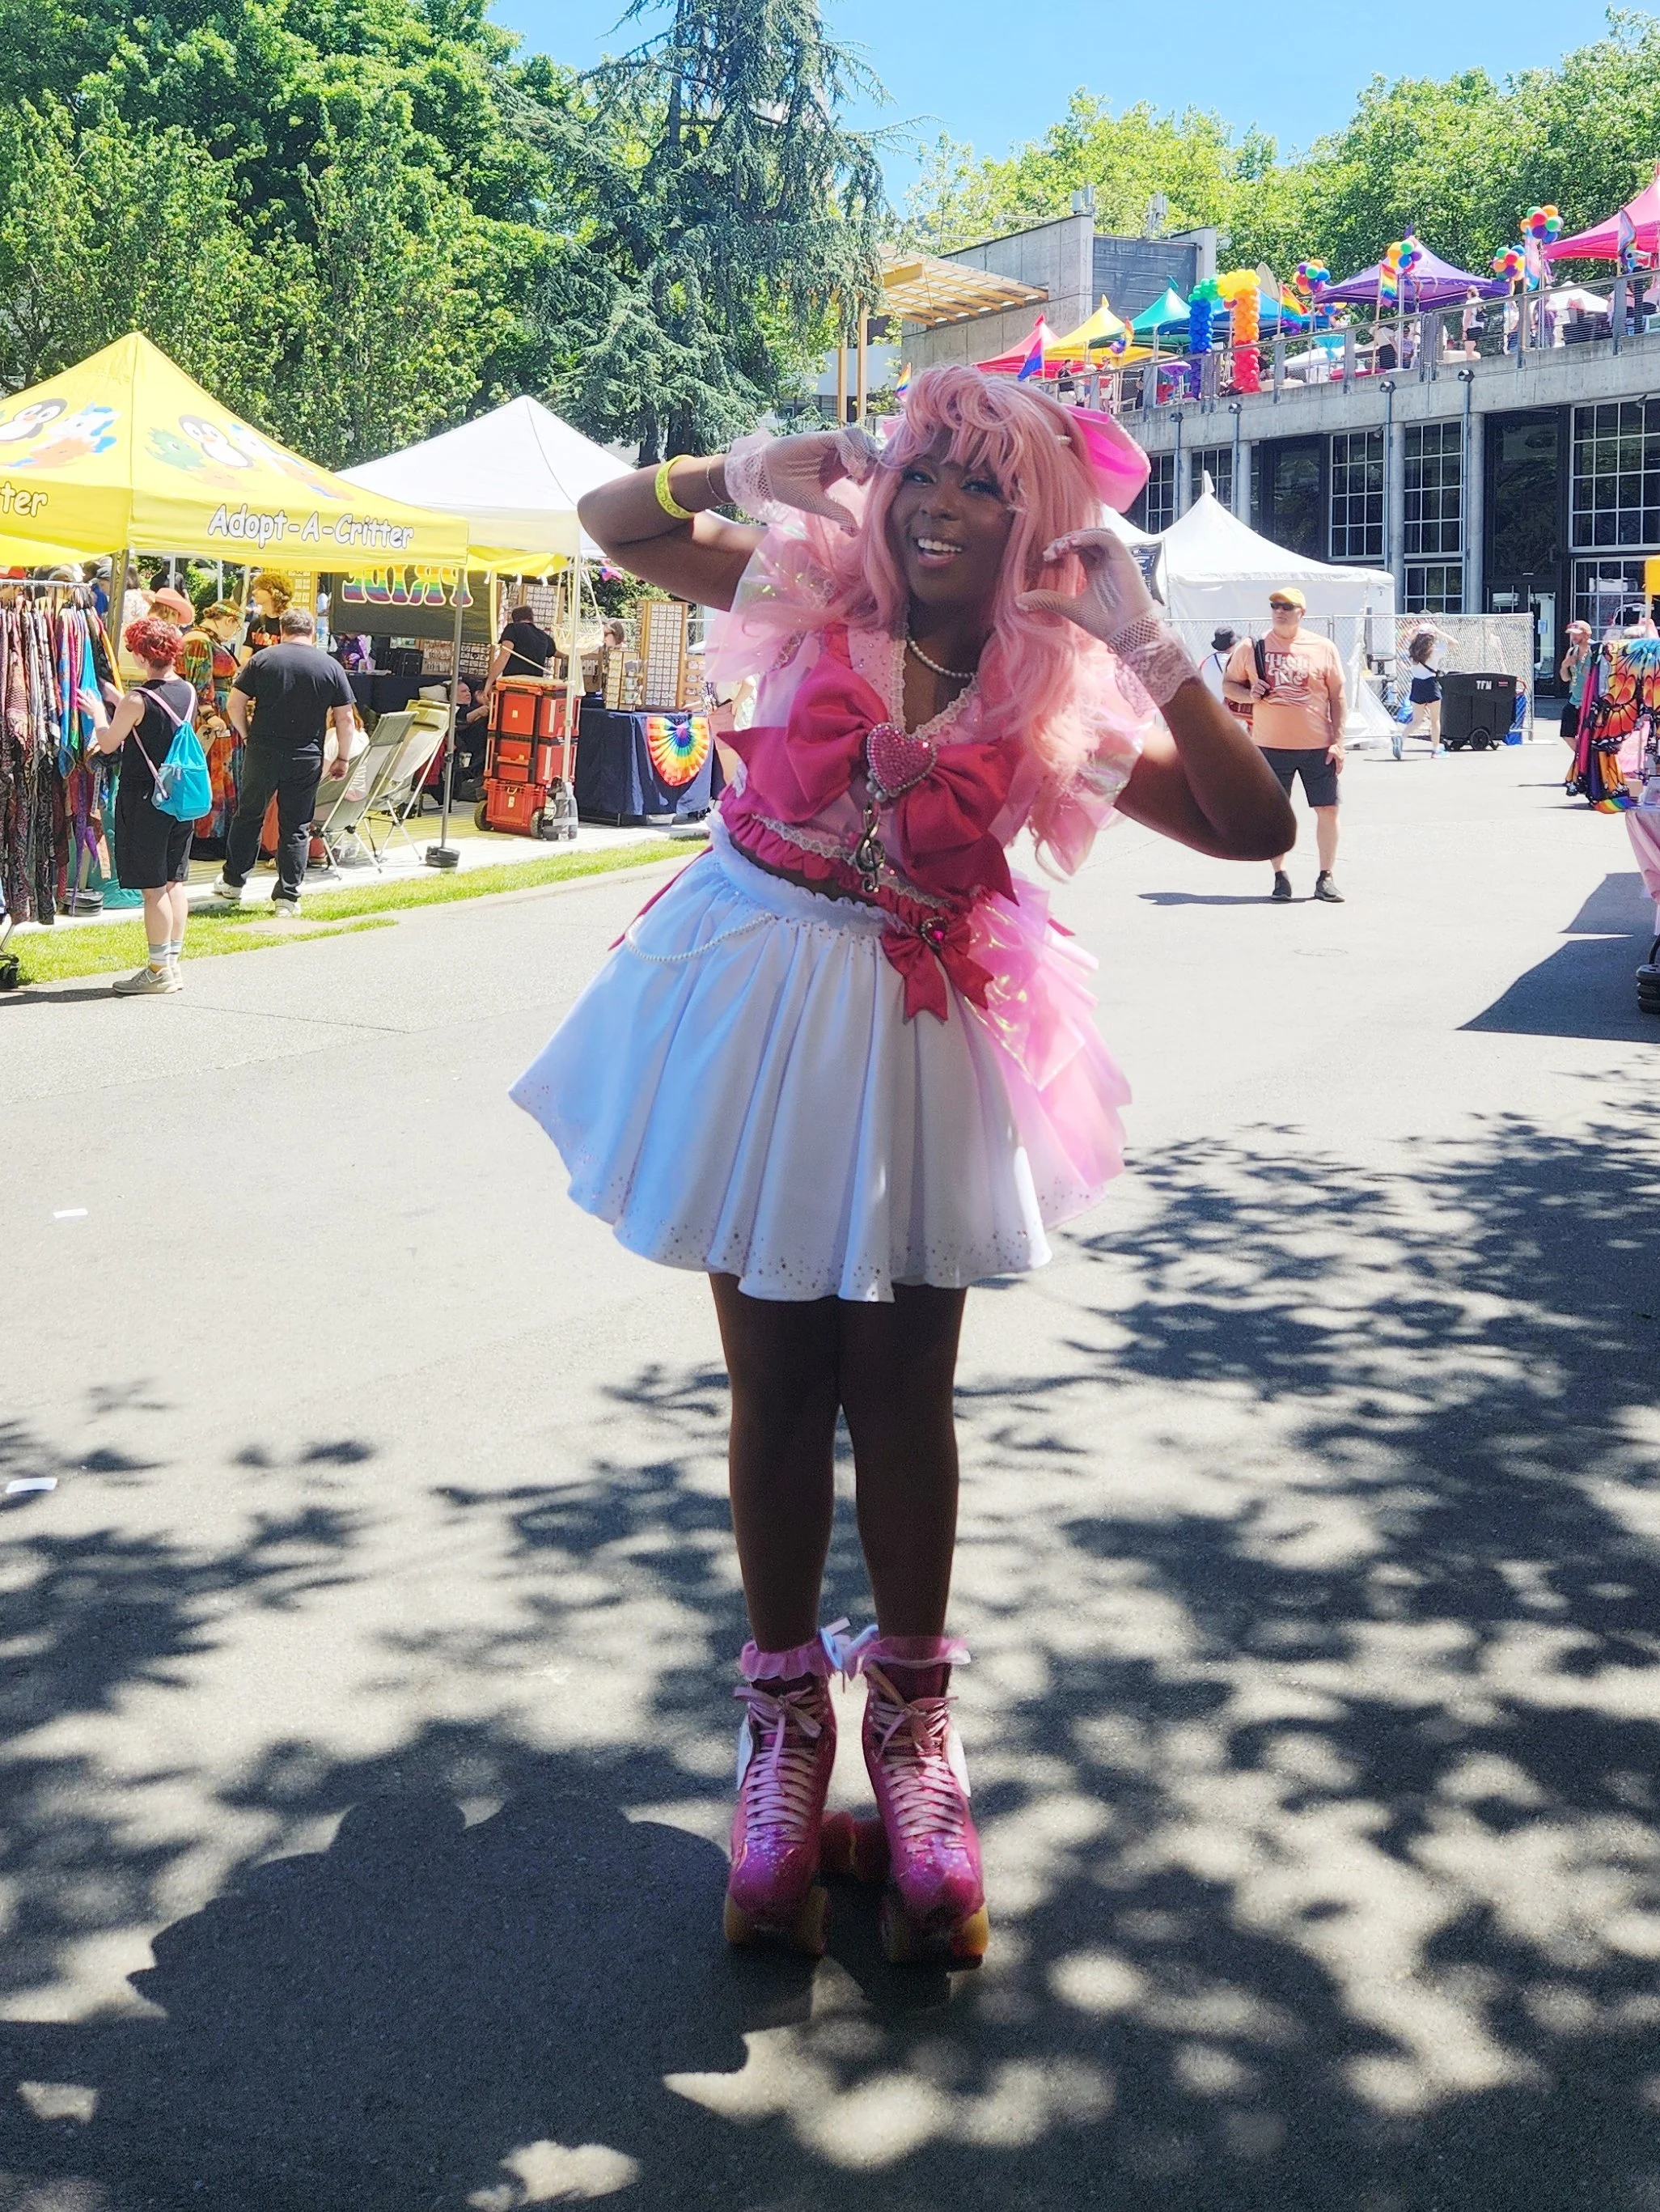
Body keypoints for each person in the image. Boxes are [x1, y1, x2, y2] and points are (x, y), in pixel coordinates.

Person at [513, 367, 1293, 1966]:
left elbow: (1255, 824)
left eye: (983, 484)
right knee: (777, 1380)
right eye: (921, 470)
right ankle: (786, 1722)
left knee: (905, 1385)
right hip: (757, 997)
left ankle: (915, 1734)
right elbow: (604, 528)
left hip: (932, 1017)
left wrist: (1141, 632)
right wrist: (749, 464)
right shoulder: (806, 587)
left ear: (1040, 518)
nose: (938, 504)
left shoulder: (1057, 677)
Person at [80, 617, 198, 994]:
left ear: (141, 655)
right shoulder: (188, 691)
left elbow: (110, 742)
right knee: (173, 881)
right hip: (178, 798)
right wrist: (121, 702)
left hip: (146, 799)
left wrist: (101, 713)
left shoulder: (137, 700)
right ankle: (172, 964)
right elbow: (157, 720)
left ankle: (156, 970)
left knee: (152, 888)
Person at [214, 606, 354, 914]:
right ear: (312, 632)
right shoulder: (330, 666)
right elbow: (345, 718)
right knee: (296, 825)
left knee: (249, 815)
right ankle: (287, 897)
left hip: (263, 749)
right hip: (306, 754)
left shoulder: (264, 659)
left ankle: (234, 882)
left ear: (281, 630)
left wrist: (247, 734)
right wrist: (342, 756)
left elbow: (236, 702)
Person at [1224, 585, 1348, 901]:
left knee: (1328, 811)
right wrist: (1248, 694)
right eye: (1275, 605)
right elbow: (1229, 686)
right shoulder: (1253, 647)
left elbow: (1337, 697)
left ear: (1301, 613)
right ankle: (1280, 876)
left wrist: (1339, 742)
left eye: (1287, 606)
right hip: (1269, 745)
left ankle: (1326, 877)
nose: (1279, 611)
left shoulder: (1322, 647)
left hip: (1317, 746)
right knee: (1276, 814)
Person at [180, 600, 245, 852]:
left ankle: (216, 833)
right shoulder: (199, 641)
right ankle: (204, 835)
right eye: (235, 627)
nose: (234, 632)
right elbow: (199, 682)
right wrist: (209, 715)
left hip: (220, 712)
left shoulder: (207, 640)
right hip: (210, 717)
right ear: (228, 620)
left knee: (220, 773)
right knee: (211, 773)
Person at [1403, 619, 1456, 752]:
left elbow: (1408, 635)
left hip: (1417, 684)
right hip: (1430, 684)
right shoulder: (1435, 650)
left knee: (1416, 721)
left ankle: (1401, 738)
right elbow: (1454, 643)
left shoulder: (1412, 649)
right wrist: (1439, 631)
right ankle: (1436, 750)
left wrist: (1417, 628)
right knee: (1435, 720)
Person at [486, 601, 556, 691]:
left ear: (514, 619)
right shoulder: (543, 636)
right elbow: (557, 653)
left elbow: (505, 655)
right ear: (532, 618)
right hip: (535, 687)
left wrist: (489, 682)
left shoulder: (513, 629)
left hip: (514, 684)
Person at [1560, 619, 1594, 751]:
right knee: (1567, 732)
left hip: (1592, 701)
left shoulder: (1596, 651)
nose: (1573, 637)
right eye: (1571, 634)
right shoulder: (1572, 652)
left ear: (1587, 634)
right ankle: (1581, 755)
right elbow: (1565, 678)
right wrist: (1565, 665)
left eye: (1577, 633)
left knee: (1591, 734)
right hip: (1575, 699)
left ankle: (1587, 757)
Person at [1198, 626, 1236, 701]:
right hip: (1228, 707)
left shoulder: (1205, 662)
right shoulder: (1234, 661)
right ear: (1232, 644)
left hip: (1209, 705)